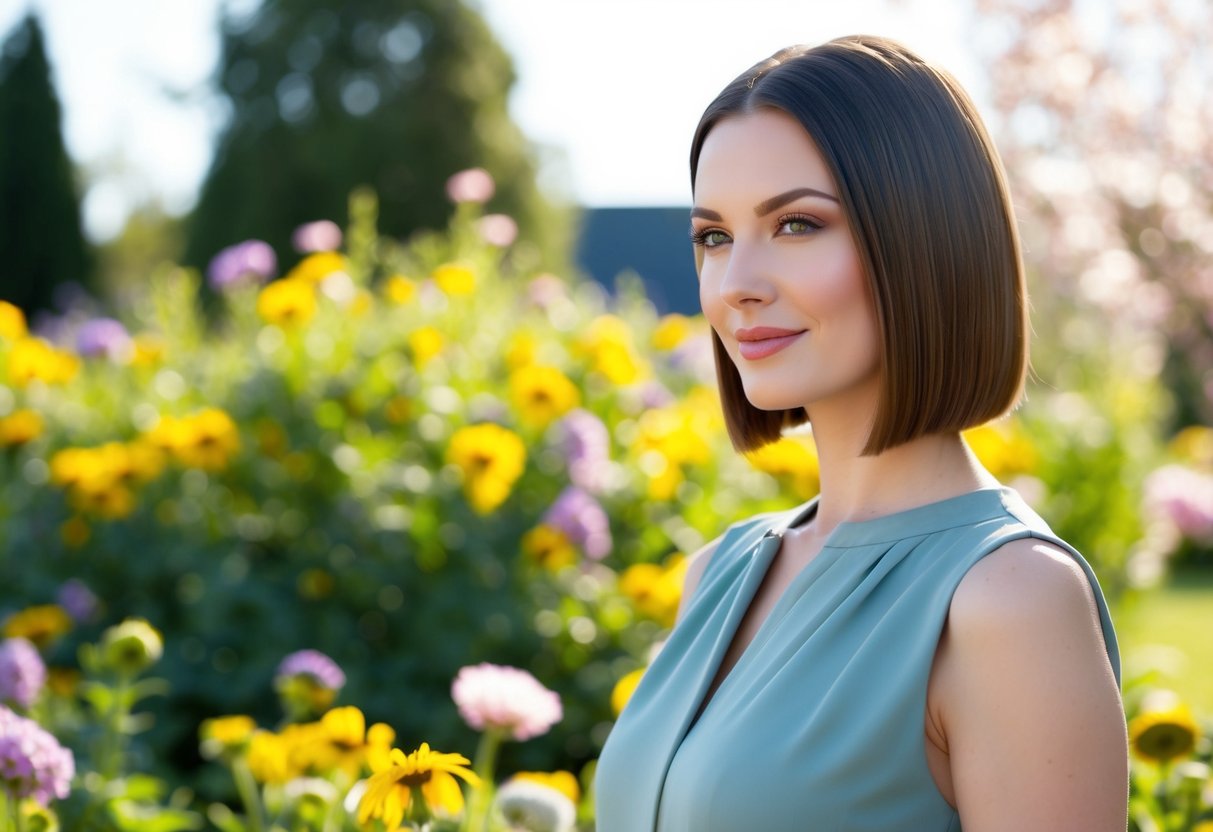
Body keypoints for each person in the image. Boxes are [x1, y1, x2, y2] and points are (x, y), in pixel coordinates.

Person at [594, 35, 1127, 831]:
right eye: (713, 236)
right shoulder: (717, 574)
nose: (735, 284)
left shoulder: (1008, 601)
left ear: (924, 240)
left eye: (797, 225)